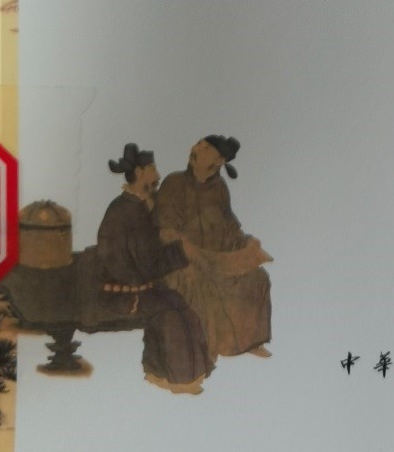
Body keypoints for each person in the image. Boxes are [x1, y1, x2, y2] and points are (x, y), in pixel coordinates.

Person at [93, 142, 212, 393]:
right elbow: (149, 264)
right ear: (139, 173)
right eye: (152, 170)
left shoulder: (133, 205)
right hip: (123, 293)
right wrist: (182, 252)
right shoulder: (130, 211)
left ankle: (170, 371)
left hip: (138, 285)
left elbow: (146, 254)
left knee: (181, 305)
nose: (157, 176)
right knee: (171, 314)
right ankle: (175, 377)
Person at [158, 137, 273, 362]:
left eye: (205, 147)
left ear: (219, 160)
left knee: (258, 278)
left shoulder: (219, 188)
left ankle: (247, 341)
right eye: (198, 144)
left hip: (215, 259)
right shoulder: (174, 182)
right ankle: (203, 352)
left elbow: (230, 226)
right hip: (178, 258)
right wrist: (186, 250)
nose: (195, 148)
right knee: (198, 282)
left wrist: (247, 242)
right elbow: (165, 230)